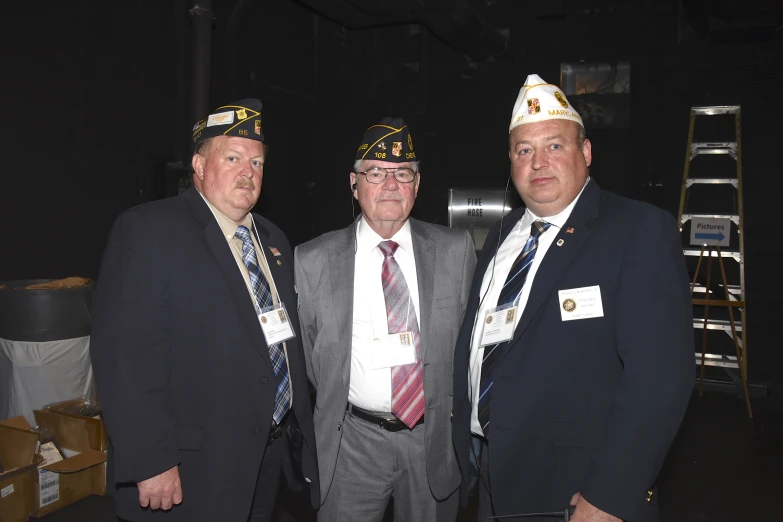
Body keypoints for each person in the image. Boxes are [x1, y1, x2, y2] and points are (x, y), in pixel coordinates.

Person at [452, 75, 694, 522]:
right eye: (524, 150)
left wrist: (610, 494)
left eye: (554, 146)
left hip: (577, 493)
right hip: (493, 477)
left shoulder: (636, 230)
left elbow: (661, 379)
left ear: (585, 153)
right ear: (510, 161)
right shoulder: (503, 235)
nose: (538, 162)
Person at [90, 98, 319, 522]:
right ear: (198, 164)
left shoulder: (273, 241)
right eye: (232, 158)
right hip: (190, 465)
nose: (247, 172)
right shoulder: (149, 230)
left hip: (264, 455)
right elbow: (124, 356)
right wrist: (151, 461)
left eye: (257, 162)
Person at [294, 117, 477, 521]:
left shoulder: (455, 251)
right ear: (354, 184)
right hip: (352, 443)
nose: (391, 184)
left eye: (403, 173)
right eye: (376, 173)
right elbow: (309, 358)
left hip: (433, 441)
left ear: (417, 183)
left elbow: (468, 342)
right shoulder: (312, 260)